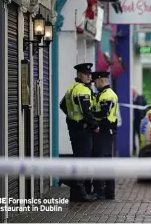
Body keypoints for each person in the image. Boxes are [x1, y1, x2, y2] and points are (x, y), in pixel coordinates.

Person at [59, 63, 98, 202]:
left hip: (74, 128)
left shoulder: (71, 88)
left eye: (89, 74)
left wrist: (71, 117)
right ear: (79, 74)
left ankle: (74, 192)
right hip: (83, 129)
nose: (89, 76)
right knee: (83, 160)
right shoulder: (82, 89)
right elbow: (86, 111)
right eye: (86, 74)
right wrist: (94, 124)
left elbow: (62, 105)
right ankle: (81, 193)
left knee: (77, 158)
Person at [91, 71, 119, 200]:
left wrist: (90, 116)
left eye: (95, 81)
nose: (94, 84)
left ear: (101, 80)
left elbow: (103, 112)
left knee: (100, 161)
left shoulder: (107, 95)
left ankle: (100, 191)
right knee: (106, 162)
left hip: (104, 132)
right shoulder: (105, 94)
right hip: (107, 132)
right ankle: (108, 192)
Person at [132, 87, 148, 156]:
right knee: (132, 137)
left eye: (132, 91)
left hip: (139, 121)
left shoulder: (141, 98)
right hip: (133, 122)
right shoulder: (130, 99)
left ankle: (141, 152)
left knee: (140, 137)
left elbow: (145, 109)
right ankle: (134, 150)